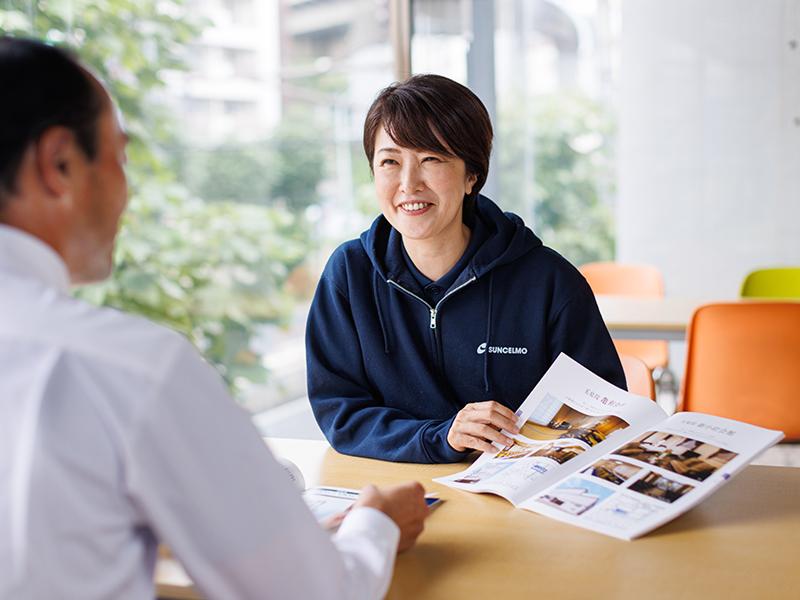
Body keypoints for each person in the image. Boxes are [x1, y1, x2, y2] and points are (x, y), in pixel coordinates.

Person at [0, 37, 428, 600]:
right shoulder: (131, 369)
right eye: (119, 157)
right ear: (58, 164)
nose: (125, 192)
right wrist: (377, 524)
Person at [306, 74, 625, 464]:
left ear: (472, 175)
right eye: (390, 161)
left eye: (431, 159)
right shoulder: (349, 274)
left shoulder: (549, 282)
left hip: (516, 499)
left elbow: (602, 413)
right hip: (398, 487)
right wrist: (439, 437)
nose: (408, 183)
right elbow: (341, 412)